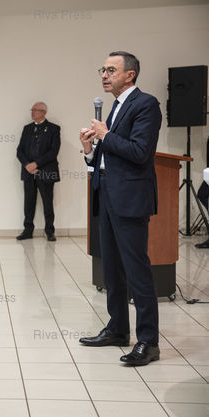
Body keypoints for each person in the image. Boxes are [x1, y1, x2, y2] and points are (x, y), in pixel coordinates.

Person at [78, 51, 161, 366]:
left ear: (130, 74)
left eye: (111, 70)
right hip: (108, 197)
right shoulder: (115, 107)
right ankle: (117, 329)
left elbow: (140, 152)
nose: (104, 75)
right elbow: (109, 155)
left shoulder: (146, 104)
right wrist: (90, 150)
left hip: (130, 199)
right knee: (111, 268)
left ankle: (148, 341)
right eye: (102, 69)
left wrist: (106, 135)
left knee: (137, 271)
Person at [16, 102, 61, 242]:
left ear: (43, 112)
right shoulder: (27, 129)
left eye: (35, 110)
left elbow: (53, 152)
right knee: (29, 203)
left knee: (47, 202)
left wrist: (36, 164)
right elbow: (19, 150)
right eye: (32, 110)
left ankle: (50, 231)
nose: (32, 112)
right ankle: (28, 230)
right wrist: (27, 165)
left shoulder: (54, 129)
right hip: (28, 173)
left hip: (46, 172)